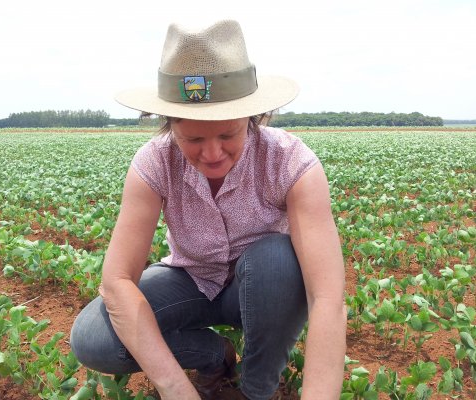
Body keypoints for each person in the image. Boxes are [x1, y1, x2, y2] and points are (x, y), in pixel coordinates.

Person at [70, 19, 346, 400]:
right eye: (193, 138)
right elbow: (116, 280)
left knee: (277, 260)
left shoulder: (290, 163)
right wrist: (176, 388)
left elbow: (327, 299)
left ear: (252, 118)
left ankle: (256, 390)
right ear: (170, 125)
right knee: (94, 338)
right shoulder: (154, 162)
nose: (212, 153)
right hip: (191, 280)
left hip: (262, 289)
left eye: (228, 134)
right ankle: (214, 356)